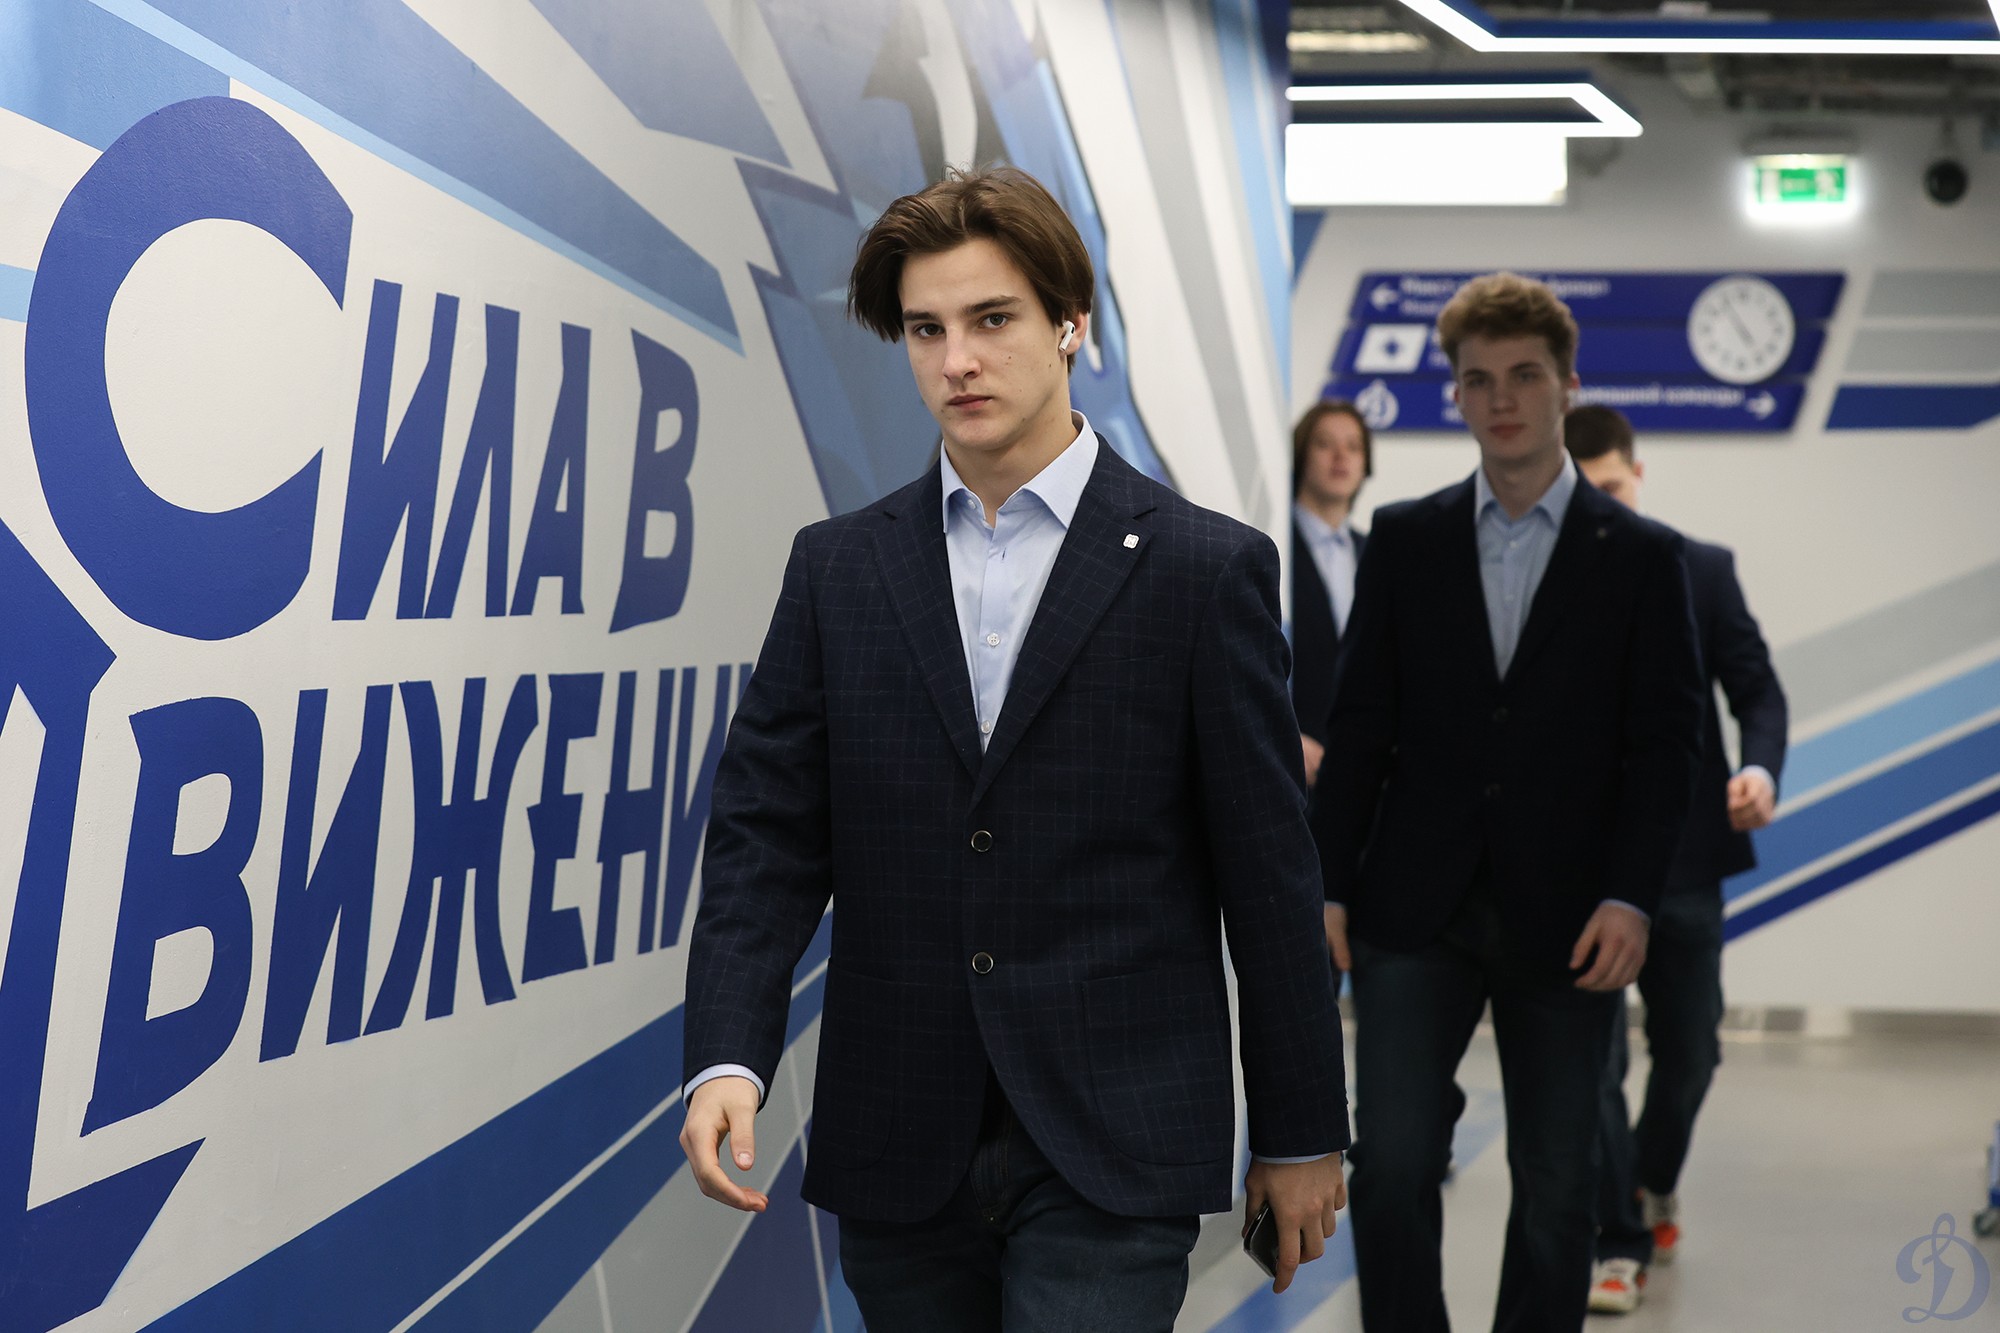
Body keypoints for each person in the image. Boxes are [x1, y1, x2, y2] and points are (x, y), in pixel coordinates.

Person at [678, 166, 1350, 1333]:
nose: (957, 361)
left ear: (1069, 323)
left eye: (991, 320)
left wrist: (1298, 1130)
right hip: (899, 1133)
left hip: (1116, 1131)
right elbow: (764, 837)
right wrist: (727, 1055)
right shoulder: (838, 570)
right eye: (926, 330)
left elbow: (1267, 871)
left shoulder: (1203, 570)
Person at [1313, 272, 1705, 1332]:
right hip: (1413, 907)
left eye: (1523, 375)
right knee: (1392, 1163)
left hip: (1570, 915)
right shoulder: (1406, 538)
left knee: (1557, 1186)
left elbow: (1664, 749)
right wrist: (1327, 885)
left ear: (1566, 386)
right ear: (1454, 394)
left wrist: (1631, 896)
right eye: (1477, 379)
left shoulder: (1642, 557)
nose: (1501, 398)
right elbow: (1359, 728)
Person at [1564, 404, 1788, 1315]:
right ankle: (1617, 1238)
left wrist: (1760, 769)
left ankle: (1651, 1181)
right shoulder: (1539, 581)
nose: (1604, 507)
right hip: (1579, 869)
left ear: (1639, 475)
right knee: (1594, 1065)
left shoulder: (1702, 569)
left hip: (1688, 864)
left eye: (1614, 488)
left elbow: (1757, 690)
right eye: (1587, 492)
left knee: (1691, 1051)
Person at [1291, 400, 1372, 789]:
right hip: (1291, 766)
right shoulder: (1267, 544)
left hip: (1361, 772)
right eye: (1325, 444)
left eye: (1353, 446)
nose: (1341, 456)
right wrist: (1282, 732)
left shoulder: (1376, 552)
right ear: (1301, 454)